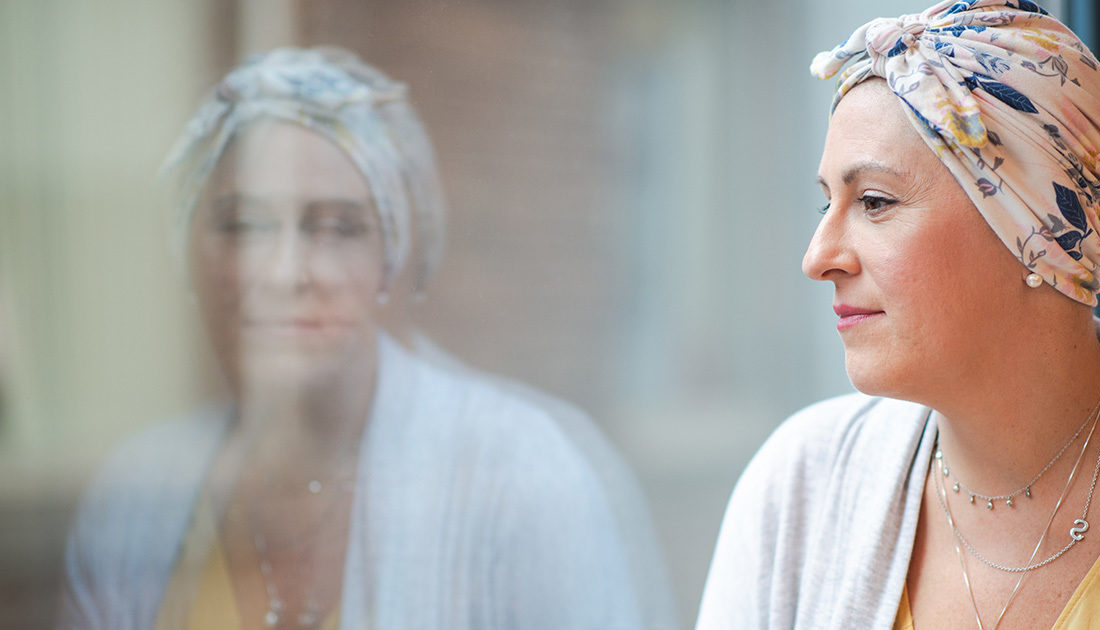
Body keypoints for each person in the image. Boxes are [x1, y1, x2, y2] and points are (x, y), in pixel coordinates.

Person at [58, 47, 675, 630]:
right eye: (244, 225)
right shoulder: (136, 502)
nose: (284, 272)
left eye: (337, 228)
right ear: (190, 251)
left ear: (394, 257)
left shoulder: (522, 482)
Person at [696, 1, 1100, 629]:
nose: (818, 257)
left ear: (1033, 230)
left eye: (874, 201)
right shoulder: (802, 487)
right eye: (827, 203)